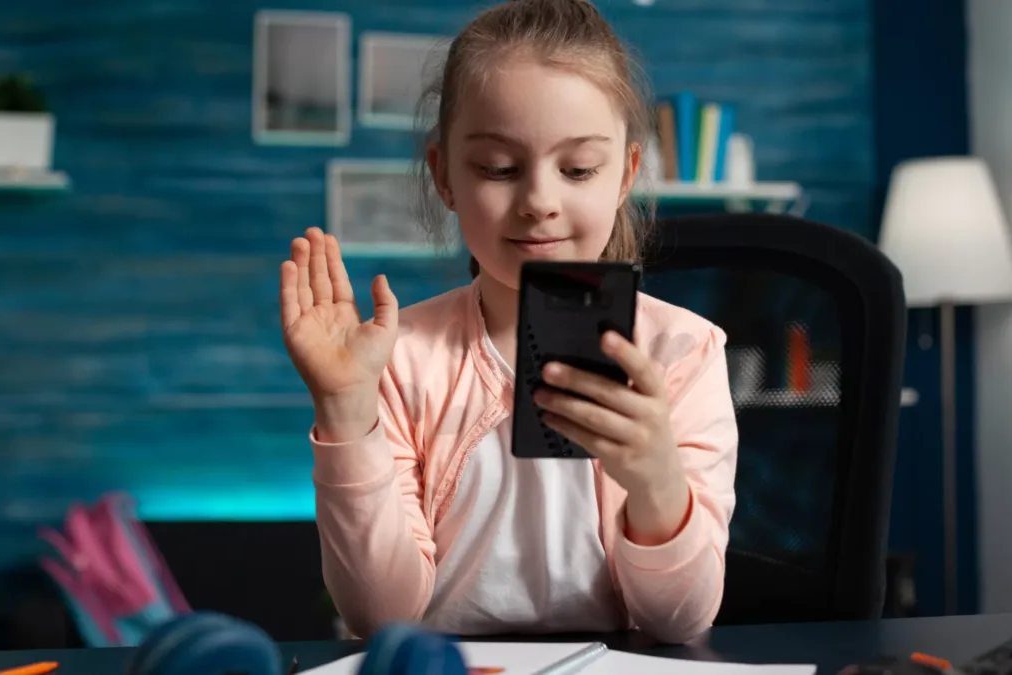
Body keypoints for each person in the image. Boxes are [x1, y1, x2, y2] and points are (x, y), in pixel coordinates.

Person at [279, 0, 738, 645]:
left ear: (626, 175)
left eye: (578, 169)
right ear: (444, 177)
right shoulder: (397, 359)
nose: (540, 202)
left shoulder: (684, 351)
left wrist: (657, 479)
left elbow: (680, 620)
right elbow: (379, 620)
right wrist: (346, 411)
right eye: (499, 169)